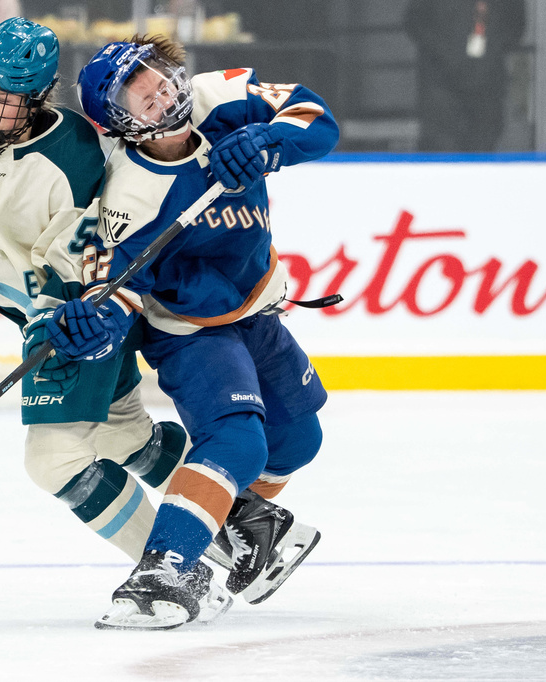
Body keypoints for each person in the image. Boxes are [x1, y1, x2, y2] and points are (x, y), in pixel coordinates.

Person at [46, 35, 338, 629]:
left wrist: (266, 138)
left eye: (155, 76)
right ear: (121, 124)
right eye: (138, 95)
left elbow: (317, 118)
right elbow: (116, 296)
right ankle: (162, 572)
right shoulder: (129, 194)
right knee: (237, 440)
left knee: (298, 442)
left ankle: (243, 523)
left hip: (255, 310)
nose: (157, 92)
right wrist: (90, 324)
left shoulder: (220, 96)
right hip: (187, 331)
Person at [0, 18, 196, 582]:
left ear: (38, 101)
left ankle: (177, 570)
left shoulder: (75, 155)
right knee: (124, 434)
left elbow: (75, 263)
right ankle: (246, 527)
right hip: (32, 309)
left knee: (54, 460)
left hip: (82, 316)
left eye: (7, 101)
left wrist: (50, 319)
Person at [404, 0, 526, 152]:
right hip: (442, 86)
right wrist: (448, 54)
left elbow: (515, 26)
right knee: (444, 149)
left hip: (485, 84)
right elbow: (415, 22)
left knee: (482, 147)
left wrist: (489, 54)